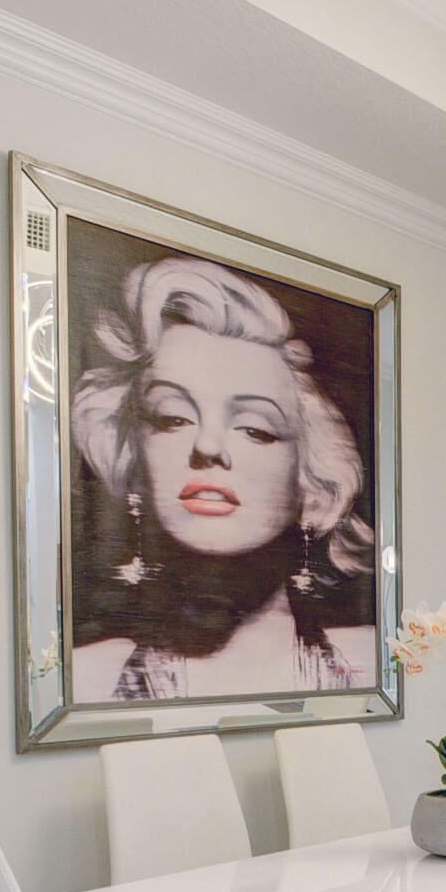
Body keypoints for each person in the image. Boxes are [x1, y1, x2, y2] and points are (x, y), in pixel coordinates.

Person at [70, 254, 376, 700]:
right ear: (136, 462)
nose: (208, 446)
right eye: (172, 418)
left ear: (311, 487)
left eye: (256, 428)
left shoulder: (375, 664)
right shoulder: (84, 680)